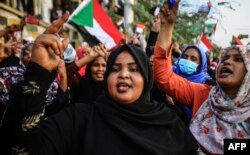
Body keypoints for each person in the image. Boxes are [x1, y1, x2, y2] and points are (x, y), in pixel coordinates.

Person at [0, 11, 198, 155]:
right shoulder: (79, 119)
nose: (124, 75)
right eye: (115, 69)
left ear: (147, 78)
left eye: (133, 69)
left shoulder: (171, 125)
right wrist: (38, 73)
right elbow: (22, 148)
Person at [153, 1, 250, 154]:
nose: (228, 62)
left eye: (238, 59)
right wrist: (167, 27)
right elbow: (163, 77)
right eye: (224, 59)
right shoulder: (203, 94)